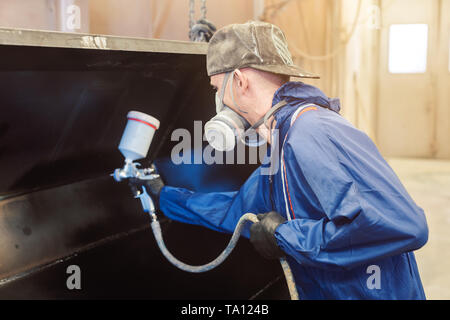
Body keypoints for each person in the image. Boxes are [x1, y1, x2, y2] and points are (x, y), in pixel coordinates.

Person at [145, 21, 428, 299]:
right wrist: (164, 197)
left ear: (240, 81)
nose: (218, 99)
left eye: (217, 88)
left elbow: (400, 224)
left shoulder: (313, 131)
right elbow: (238, 211)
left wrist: (286, 236)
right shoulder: (282, 143)